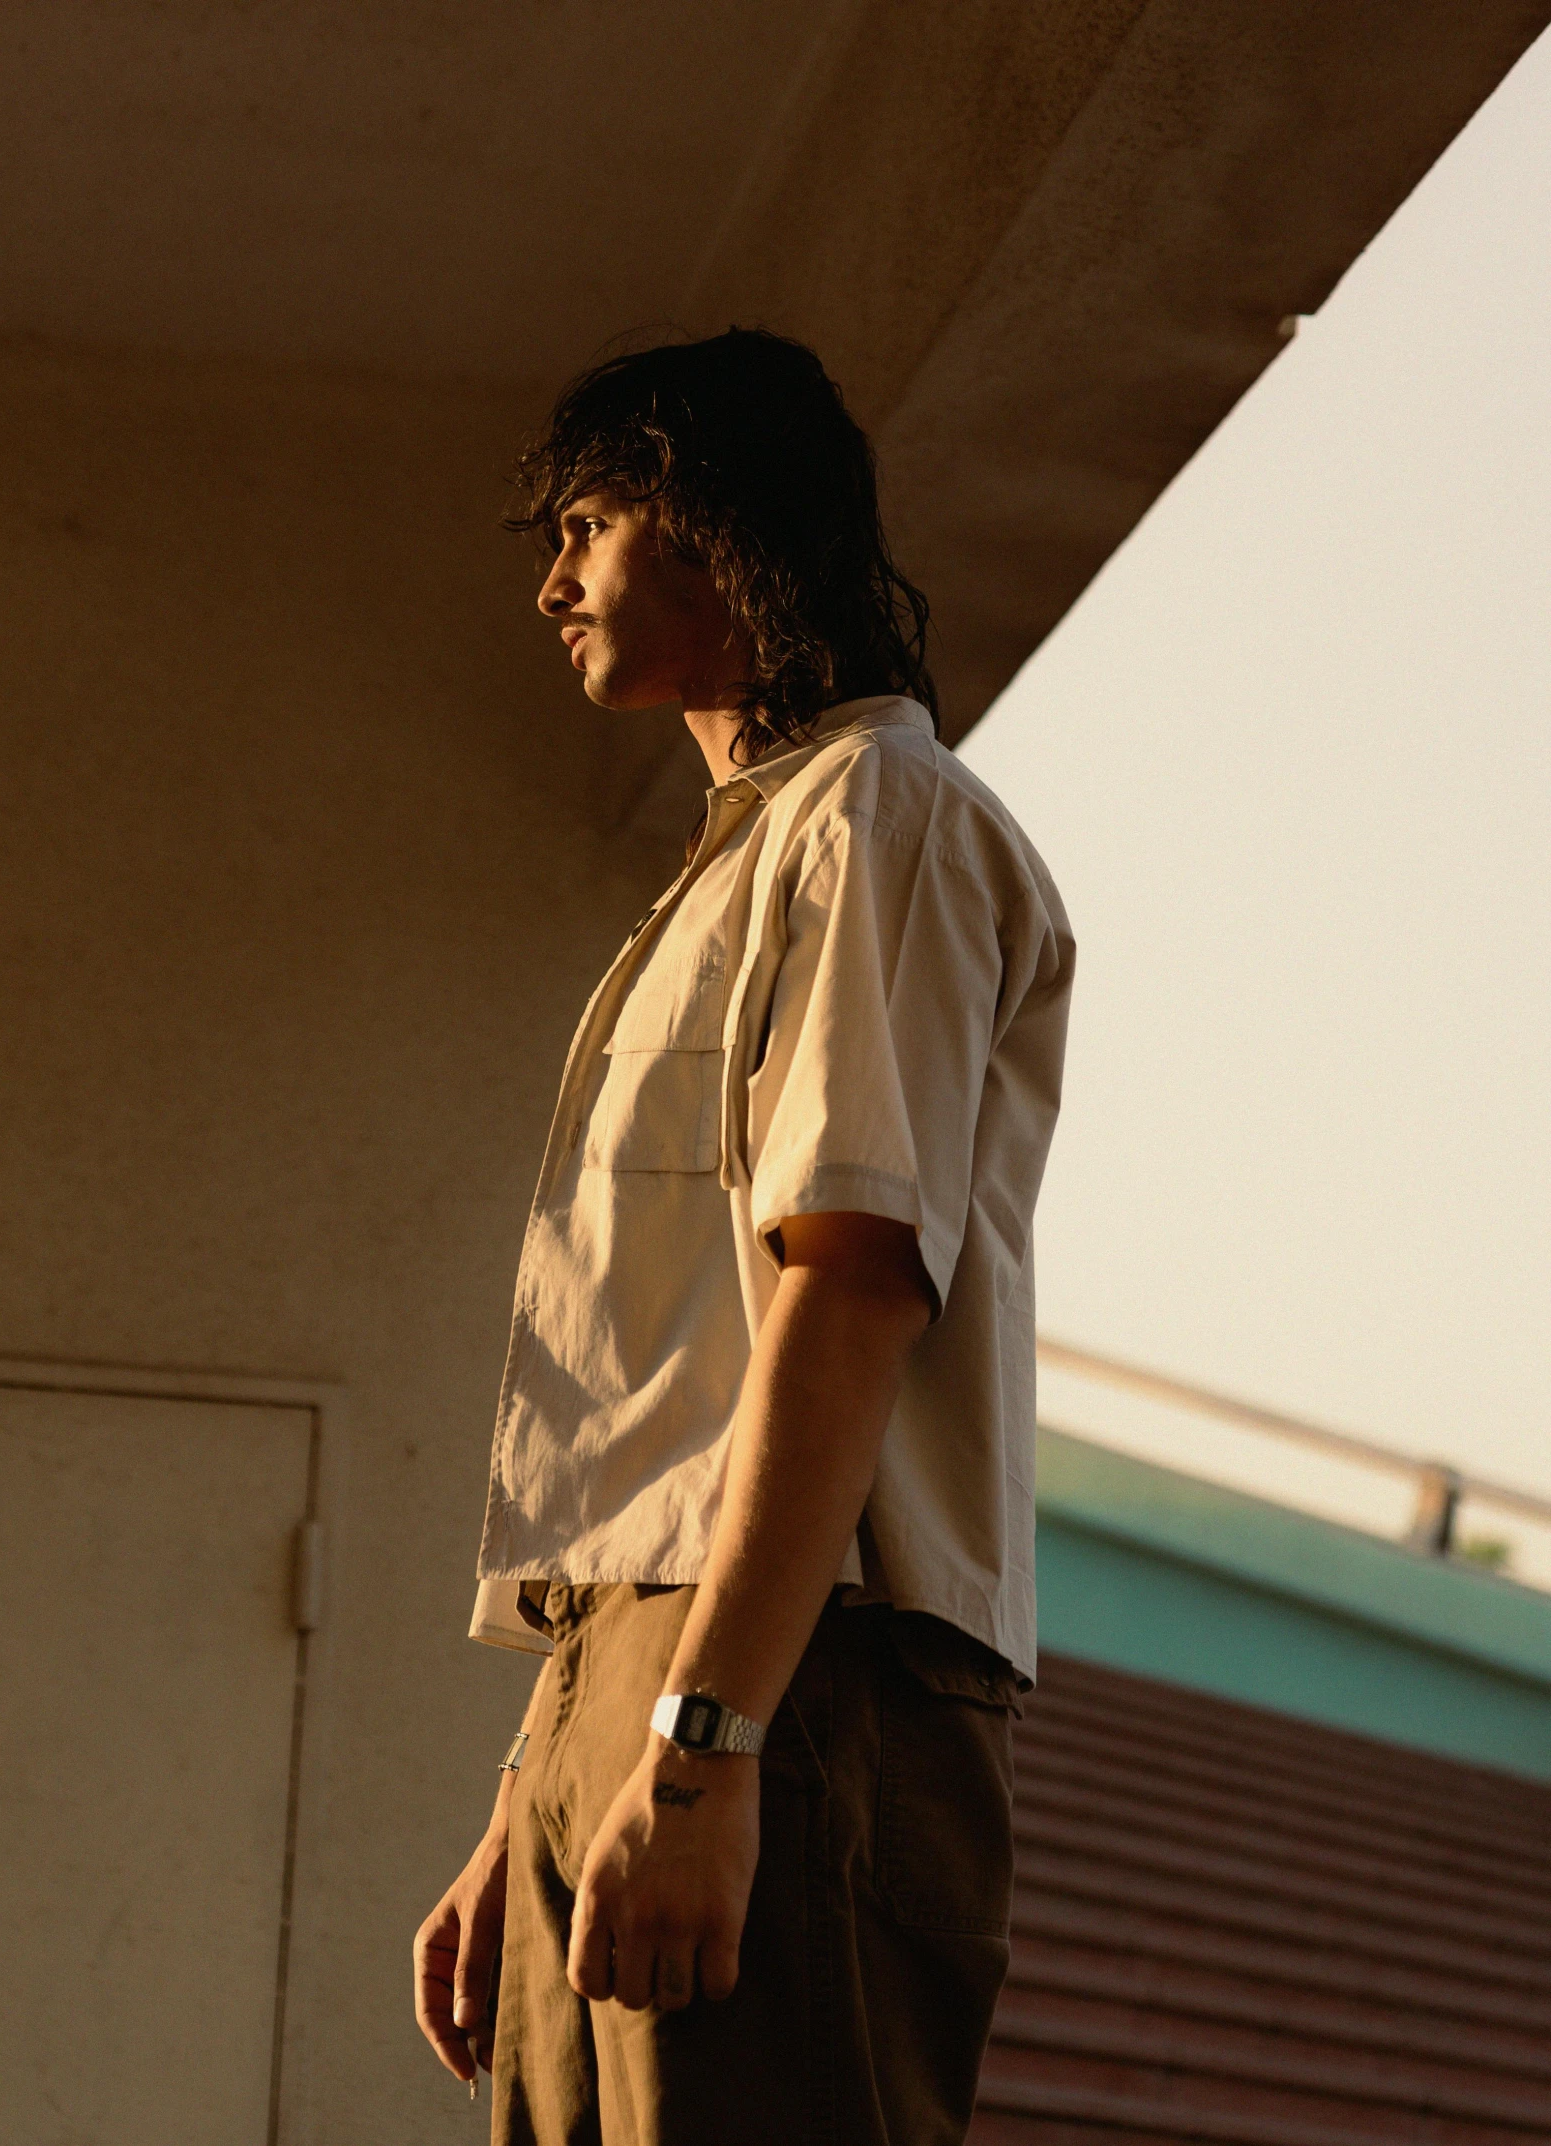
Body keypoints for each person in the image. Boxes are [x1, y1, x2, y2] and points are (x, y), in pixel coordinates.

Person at [414, 328, 1074, 2146]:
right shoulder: (744, 856)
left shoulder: (884, 822)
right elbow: (678, 1392)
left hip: (806, 1686)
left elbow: (850, 1290)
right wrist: (534, 1784)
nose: (554, 578)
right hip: (650, 1677)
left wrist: (702, 1749)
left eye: (592, 520)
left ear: (718, 527)